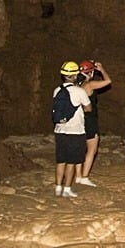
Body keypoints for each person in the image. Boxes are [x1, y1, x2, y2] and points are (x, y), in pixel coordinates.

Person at [53, 61, 90, 198]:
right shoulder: (79, 91)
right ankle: (67, 189)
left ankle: (58, 187)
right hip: (75, 132)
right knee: (71, 162)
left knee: (60, 160)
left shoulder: (57, 91)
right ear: (75, 75)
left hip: (60, 131)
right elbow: (88, 108)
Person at [75, 60, 111, 187]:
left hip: (78, 120)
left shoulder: (75, 85)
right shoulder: (89, 85)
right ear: (89, 72)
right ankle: (84, 177)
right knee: (91, 149)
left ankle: (78, 175)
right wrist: (102, 70)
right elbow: (108, 81)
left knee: (80, 149)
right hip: (89, 120)